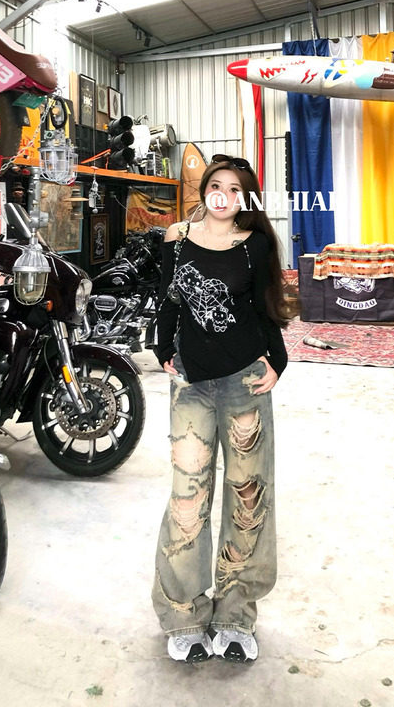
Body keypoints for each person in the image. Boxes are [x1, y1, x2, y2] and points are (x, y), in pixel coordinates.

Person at [152, 154, 290, 663]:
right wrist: (161, 347)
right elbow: (168, 299)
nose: (224, 195)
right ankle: (184, 614)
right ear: (204, 190)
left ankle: (235, 615)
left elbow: (265, 305)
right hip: (191, 383)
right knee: (187, 496)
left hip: (244, 382)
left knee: (248, 496)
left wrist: (278, 360)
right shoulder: (177, 237)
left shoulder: (255, 245)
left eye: (235, 188)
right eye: (216, 185)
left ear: (245, 197)